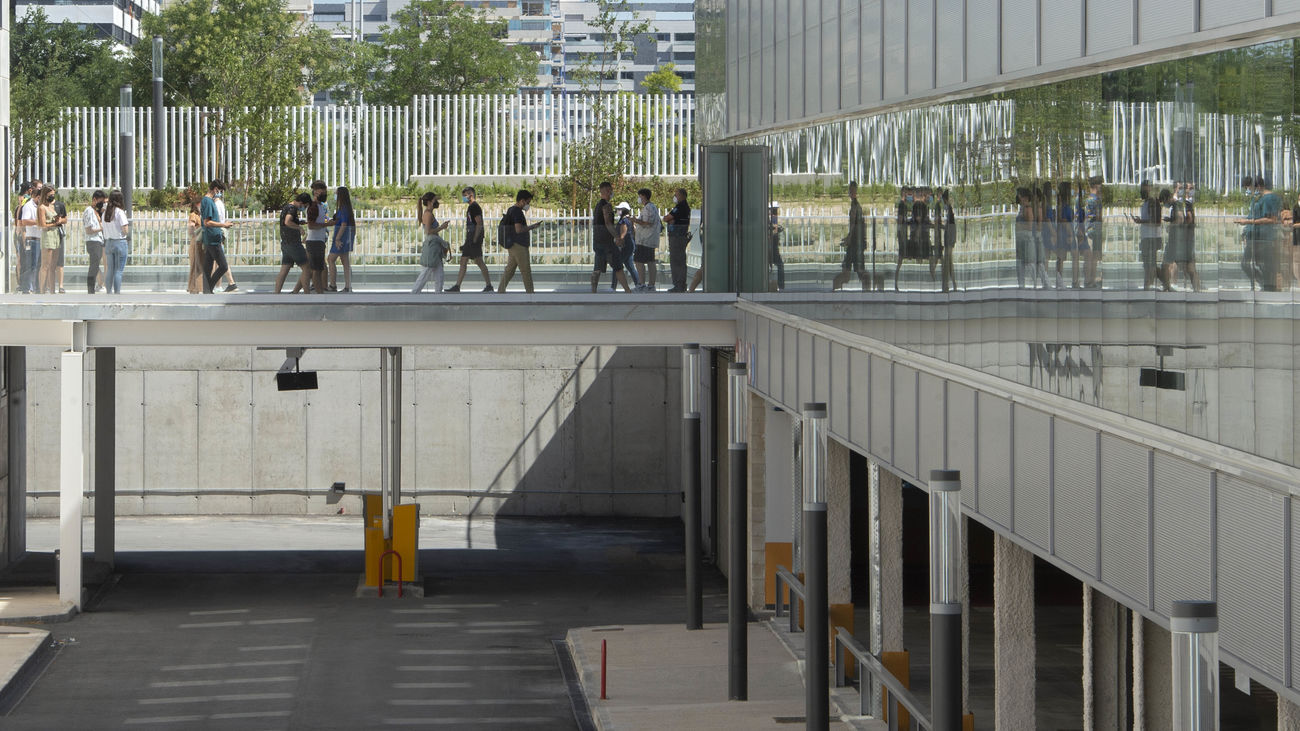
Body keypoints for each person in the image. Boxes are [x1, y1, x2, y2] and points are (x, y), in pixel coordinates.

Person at [446, 186, 493, 293]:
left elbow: (479, 223)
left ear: (471, 195)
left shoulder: (474, 207)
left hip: (474, 238)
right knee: (470, 261)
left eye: (465, 195)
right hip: (471, 238)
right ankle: (458, 286)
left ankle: (487, 285)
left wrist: (475, 239)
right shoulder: (471, 207)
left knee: (475, 261)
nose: (464, 198)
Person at [498, 190, 543, 293]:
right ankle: (530, 294)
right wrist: (532, 227)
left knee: (509, 270)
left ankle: (500, 291)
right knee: (525, 270)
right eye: (527, 202)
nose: (528, 205)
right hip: (519, 245)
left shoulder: (511, 209)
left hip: (512, 245)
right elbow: (518, 229)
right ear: (522, 201)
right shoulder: (517, 212)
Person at [591, 182, 631, 293]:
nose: (611, 193)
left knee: (597, 268)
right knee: (618, 266)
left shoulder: (598, 205)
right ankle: (627, 290)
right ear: (607, 191)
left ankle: (593, 291)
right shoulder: (606, 206)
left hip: (598, 240)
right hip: (607, 242)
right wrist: (617, 237)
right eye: (609, 190)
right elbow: (608, 223)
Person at [1163, 182, 1200, 292]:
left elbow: (1186, 220)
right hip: (1180, 238)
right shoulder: (1178, 204)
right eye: (1181, 188)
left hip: (1182, 238)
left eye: (1184, 188)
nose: (1184, 190)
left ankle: (1175, 285)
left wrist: (1174, 225)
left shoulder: (1183, 204)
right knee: (1179, 264)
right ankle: (1173, 285)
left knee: (1184, 265)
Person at [199, 180, 235, 294]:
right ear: (215, 189)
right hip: (213, 238)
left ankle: (206, 289)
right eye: (219, 191)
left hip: (209, 237)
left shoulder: (206, 201)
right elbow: (207, 222)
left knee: (208, 266)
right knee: (223, 266)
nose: (219, 193)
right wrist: (223, 224)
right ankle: (209, 287)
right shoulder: (209, 202)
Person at [274, 193, 312, 294]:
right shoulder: (292, 208)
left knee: (284, 270)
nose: (304, 208)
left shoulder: (286, 207)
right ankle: (307, 293)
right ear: (301, 202)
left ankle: (276, 294)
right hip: (293, 244)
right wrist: (299, 227)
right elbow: (287, 222)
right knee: (307, 268)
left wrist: (299, 222)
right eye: (305, 205)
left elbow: (287, 222)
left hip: (285, 244)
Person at [413, 192, 451, 293]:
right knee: (426, 273)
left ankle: (438, 294)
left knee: (439, 274)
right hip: (432, 248)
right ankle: (414, 294)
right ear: (430, 202)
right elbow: (428, 231)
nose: (436, 202)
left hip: (435, 247)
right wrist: (441, 227)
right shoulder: (428, 214)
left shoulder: (428, 213)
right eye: (434, 200)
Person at [1132, 180, 1166, 290]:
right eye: (1142, 189)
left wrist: (1141, 221)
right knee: (1149, 265)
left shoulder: (1152, 202)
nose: (1142, 191)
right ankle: (1162, 283)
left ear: (1149, 189)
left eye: (1144, 189)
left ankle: (1149, 286)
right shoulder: (1147, 202)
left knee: (1149, 265)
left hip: (1152, 238)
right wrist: (1141, 221)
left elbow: (1156, 222)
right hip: (1147, 237)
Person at [834, 181, 866, 290]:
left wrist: (849, 238)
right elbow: (855, 225)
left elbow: (853, 225)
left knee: (854, 270)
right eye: (850, 191)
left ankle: (836, 289)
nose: (851, 193)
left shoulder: (856, 207)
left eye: (852, 191)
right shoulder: (856, 206)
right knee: (853, 270)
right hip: (855, 242)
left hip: (855, 243)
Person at [304, 180, 333, 295]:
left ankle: (318, 290)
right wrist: (327, 224)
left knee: (318, 268)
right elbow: (311, 225)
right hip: (315, 241)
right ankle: (319, 292)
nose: (324, 194)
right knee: (316, 269)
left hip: (318, 240)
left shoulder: (320, 206)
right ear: (316, 192)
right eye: (322, 192)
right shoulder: (314, 207)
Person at [631, 188, 662, 291]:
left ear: (644, 196)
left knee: (639, 261)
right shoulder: (649, 208)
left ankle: (642, 284)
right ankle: (649, 284)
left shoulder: (649, 208)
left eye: (640, 196)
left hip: (646, 239)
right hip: (646, 239)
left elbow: (648, 222)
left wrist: (635, 220)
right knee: (650, 260)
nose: (639, 198)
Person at [101, 191, 131, 295]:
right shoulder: (119, 212)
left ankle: (109, 291)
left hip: (109, 242)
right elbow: (125, 229)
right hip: (120, 242)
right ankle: (117, 293)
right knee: (118, 270)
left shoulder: (105, 213)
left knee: (110, 270)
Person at [327, 186, 356, 293]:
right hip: (344, 237)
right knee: (345, 261)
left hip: (341, 237)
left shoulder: (343, 209)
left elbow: (343, 224)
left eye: (336, 193)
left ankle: (333, 284)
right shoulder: (345, 208)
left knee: (331, 259)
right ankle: (348, 286)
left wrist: (337, 238)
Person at [37, 187, 64, 294]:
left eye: (53, 194)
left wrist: (58, 219)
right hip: (48, 235)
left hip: (56, 235)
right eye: (50, 194)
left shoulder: (52, 206)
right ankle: (42, 289)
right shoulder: (42, 208)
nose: (52, 196)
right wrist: (55, 223)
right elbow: (43, 224)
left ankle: (52, 289)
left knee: (53, 265)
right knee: (45, 265)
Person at [664, 188, 691, 292]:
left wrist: (671, 220)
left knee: (677, 260)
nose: (675, 197)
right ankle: (680, 284)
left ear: (682, 196)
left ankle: (679, 285)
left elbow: (666, 218)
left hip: (677, 236)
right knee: (679, 260)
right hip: (679, 236)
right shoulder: (684, 207)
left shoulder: (681, 207)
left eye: (677, 195)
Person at [610, 201, 639, 290]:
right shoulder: (628, 219)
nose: (618, 211)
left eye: (619, 209)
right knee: (630, 266)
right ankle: (639, 284)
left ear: (624, 210)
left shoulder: (623, 221)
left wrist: (619, 241)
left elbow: (623, 232)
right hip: (629, 246)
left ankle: (613, 287)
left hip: (625, 246)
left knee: (617, 266)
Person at [891, 185, 914, 290]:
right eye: (907, 193)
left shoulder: (903, 205)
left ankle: (896, 282)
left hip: (902, 233)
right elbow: (900, 220)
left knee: (902, 258)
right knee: (900, 259)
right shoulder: (901, 205)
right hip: (902, 234)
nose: (909, 195)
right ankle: (895, 282)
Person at [1083, 176, 1104, 288]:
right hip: (1093, 230)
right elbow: (1098, 217)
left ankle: (1090, 280)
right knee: (1093, 257)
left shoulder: (1092, 199)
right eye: (1100, 184)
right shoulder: (1094, 200)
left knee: (1093, 257)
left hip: (1092, 230)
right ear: (1096, 186)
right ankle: (1090, 280)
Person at [83, 190, 106, 294]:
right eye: (100, 202)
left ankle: (93, 286)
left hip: (98, 240)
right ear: (94, 200)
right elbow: (89, 229)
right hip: (93, 241)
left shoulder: (96, 211)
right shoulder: (89, 211)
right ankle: (90, 288)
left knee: (96, 265)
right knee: (94, 265)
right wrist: (101, 228)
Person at [939, 190, 957, 292]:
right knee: (949, 263)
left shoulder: (949, 211)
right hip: (949, 240)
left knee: (948, 263)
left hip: (949, 240)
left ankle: (947, 286)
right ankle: (953, 285)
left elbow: (950, 227)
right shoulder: (950, 211)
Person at [185, 195, 204, 293]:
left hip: (199, 241)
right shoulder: (193, 215)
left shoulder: (200, 215)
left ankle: (195, 287)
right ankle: (195, 287)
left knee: (198, 264)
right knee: (195, 265)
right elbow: (191, 226)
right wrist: (194, 233)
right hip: (195, 241)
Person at [52, 190, 68, 293]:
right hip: (48, 234)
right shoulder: (43, 206)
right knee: (49, 262)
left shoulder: (60, 205)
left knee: (59, 261)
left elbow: (65, 219)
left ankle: (61, 285)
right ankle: (50, 285)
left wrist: (60, 220)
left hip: (58, 234)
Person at [769, 201, 785, 291]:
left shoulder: (772, 219)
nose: (775, 213)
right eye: (774, 210)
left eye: (775, 211)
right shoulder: (772, 219)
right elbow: (773, 231)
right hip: (771, 247)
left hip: (773, 246)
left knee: (779, 265)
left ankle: (780, 285)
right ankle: (780, 286)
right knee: (779, 265)